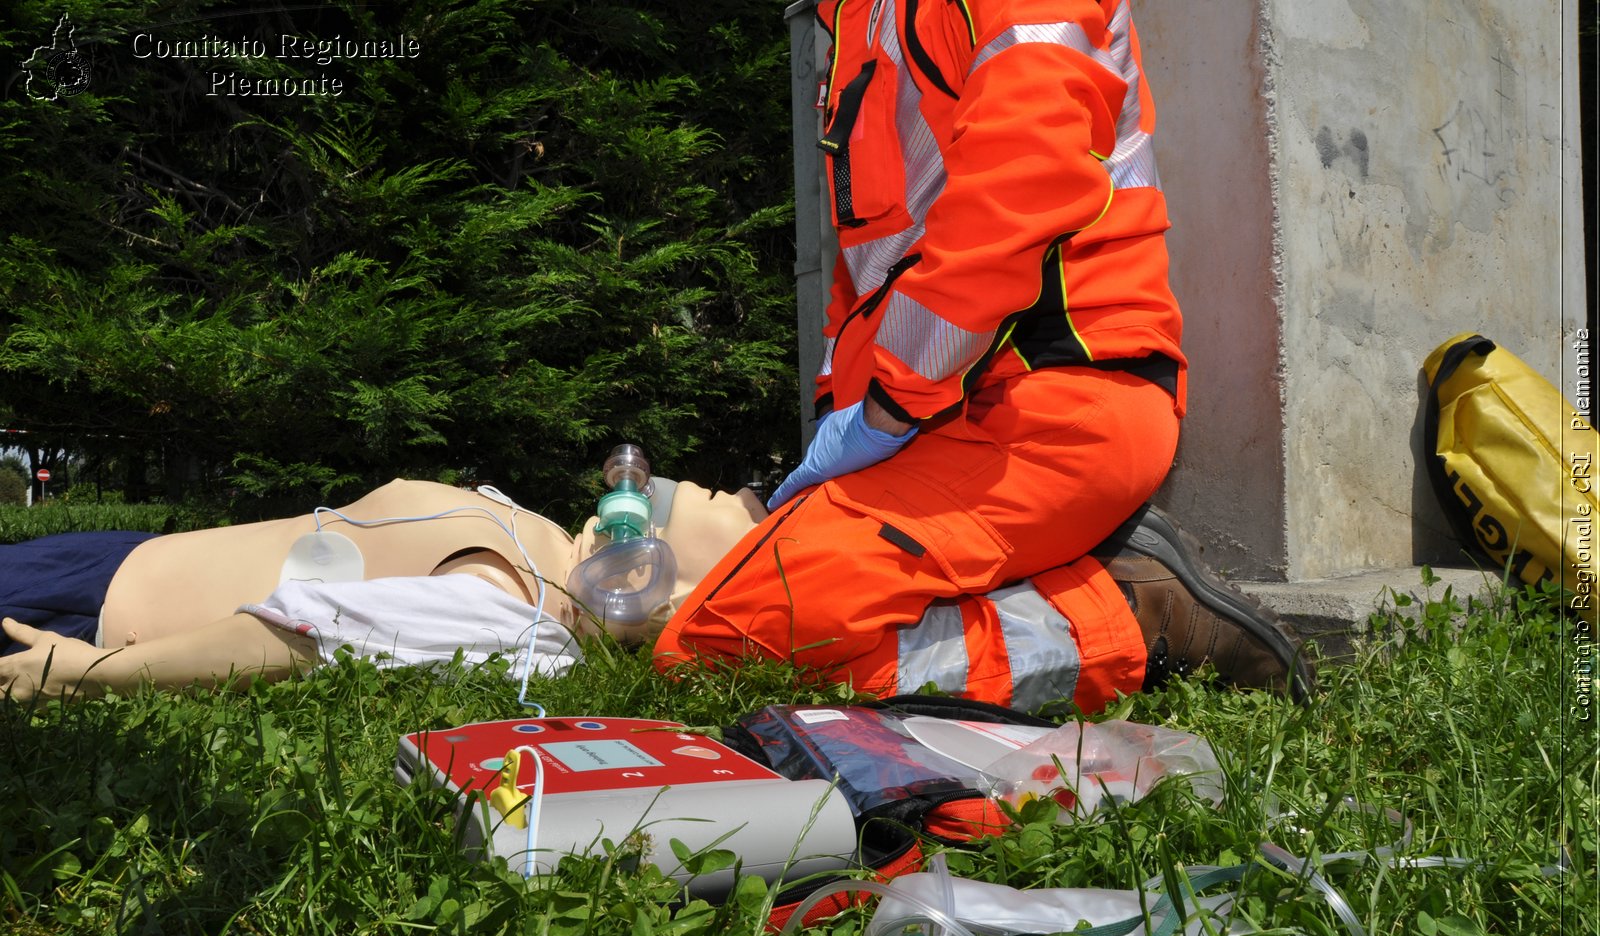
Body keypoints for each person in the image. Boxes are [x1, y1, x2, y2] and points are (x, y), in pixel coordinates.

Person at [654, 0, 1312, 711]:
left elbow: (1024, 180)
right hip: (948, 419)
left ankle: (1128, 617)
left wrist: (881, 410)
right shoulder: (854, 18)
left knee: (719, 645)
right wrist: (842, 437)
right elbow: (865, 276)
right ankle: (1069, 581)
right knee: (723, 628)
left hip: (1052, 402)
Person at [0, 477, 766, 701]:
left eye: (663, 507)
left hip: (91, 608)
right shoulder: (541, 545)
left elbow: (300, 636)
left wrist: (83, 670)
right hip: (132, 555)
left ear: (648, 584)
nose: (636, 493)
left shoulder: (517, 616)